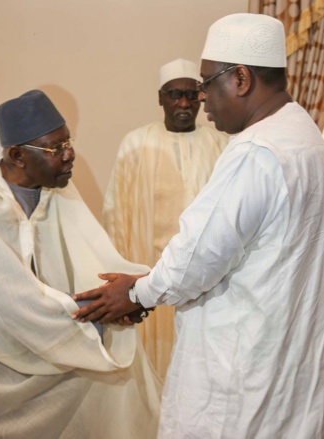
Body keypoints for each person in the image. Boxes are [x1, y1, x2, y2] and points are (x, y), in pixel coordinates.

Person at [73, 13, 324, 439]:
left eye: (205, 83)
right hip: (290, 368)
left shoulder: (255, 150)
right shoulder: (304, 134)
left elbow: (194, 261)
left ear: (240, 78)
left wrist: (133, 292)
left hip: (245, 381)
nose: (201, 98)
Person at [0, 90, 162, 438]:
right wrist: (98, 311)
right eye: (56, 148)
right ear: (17, 155)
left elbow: (93, 256)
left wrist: (127, 295)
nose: (70, 155)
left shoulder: (56, 186)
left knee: (120, 382)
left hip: (48, 328)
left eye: (68, 141)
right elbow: (8, 302)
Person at [102, 58, 227, 377]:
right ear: (160, 98)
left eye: (191, 94)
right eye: (174, 94)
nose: (184, 103)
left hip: (203, 283)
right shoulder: (135, 144)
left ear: (201, 96)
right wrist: (120, 280)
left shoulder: (220, 145)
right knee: (150, 366)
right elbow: (116, 216)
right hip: (146, 278)